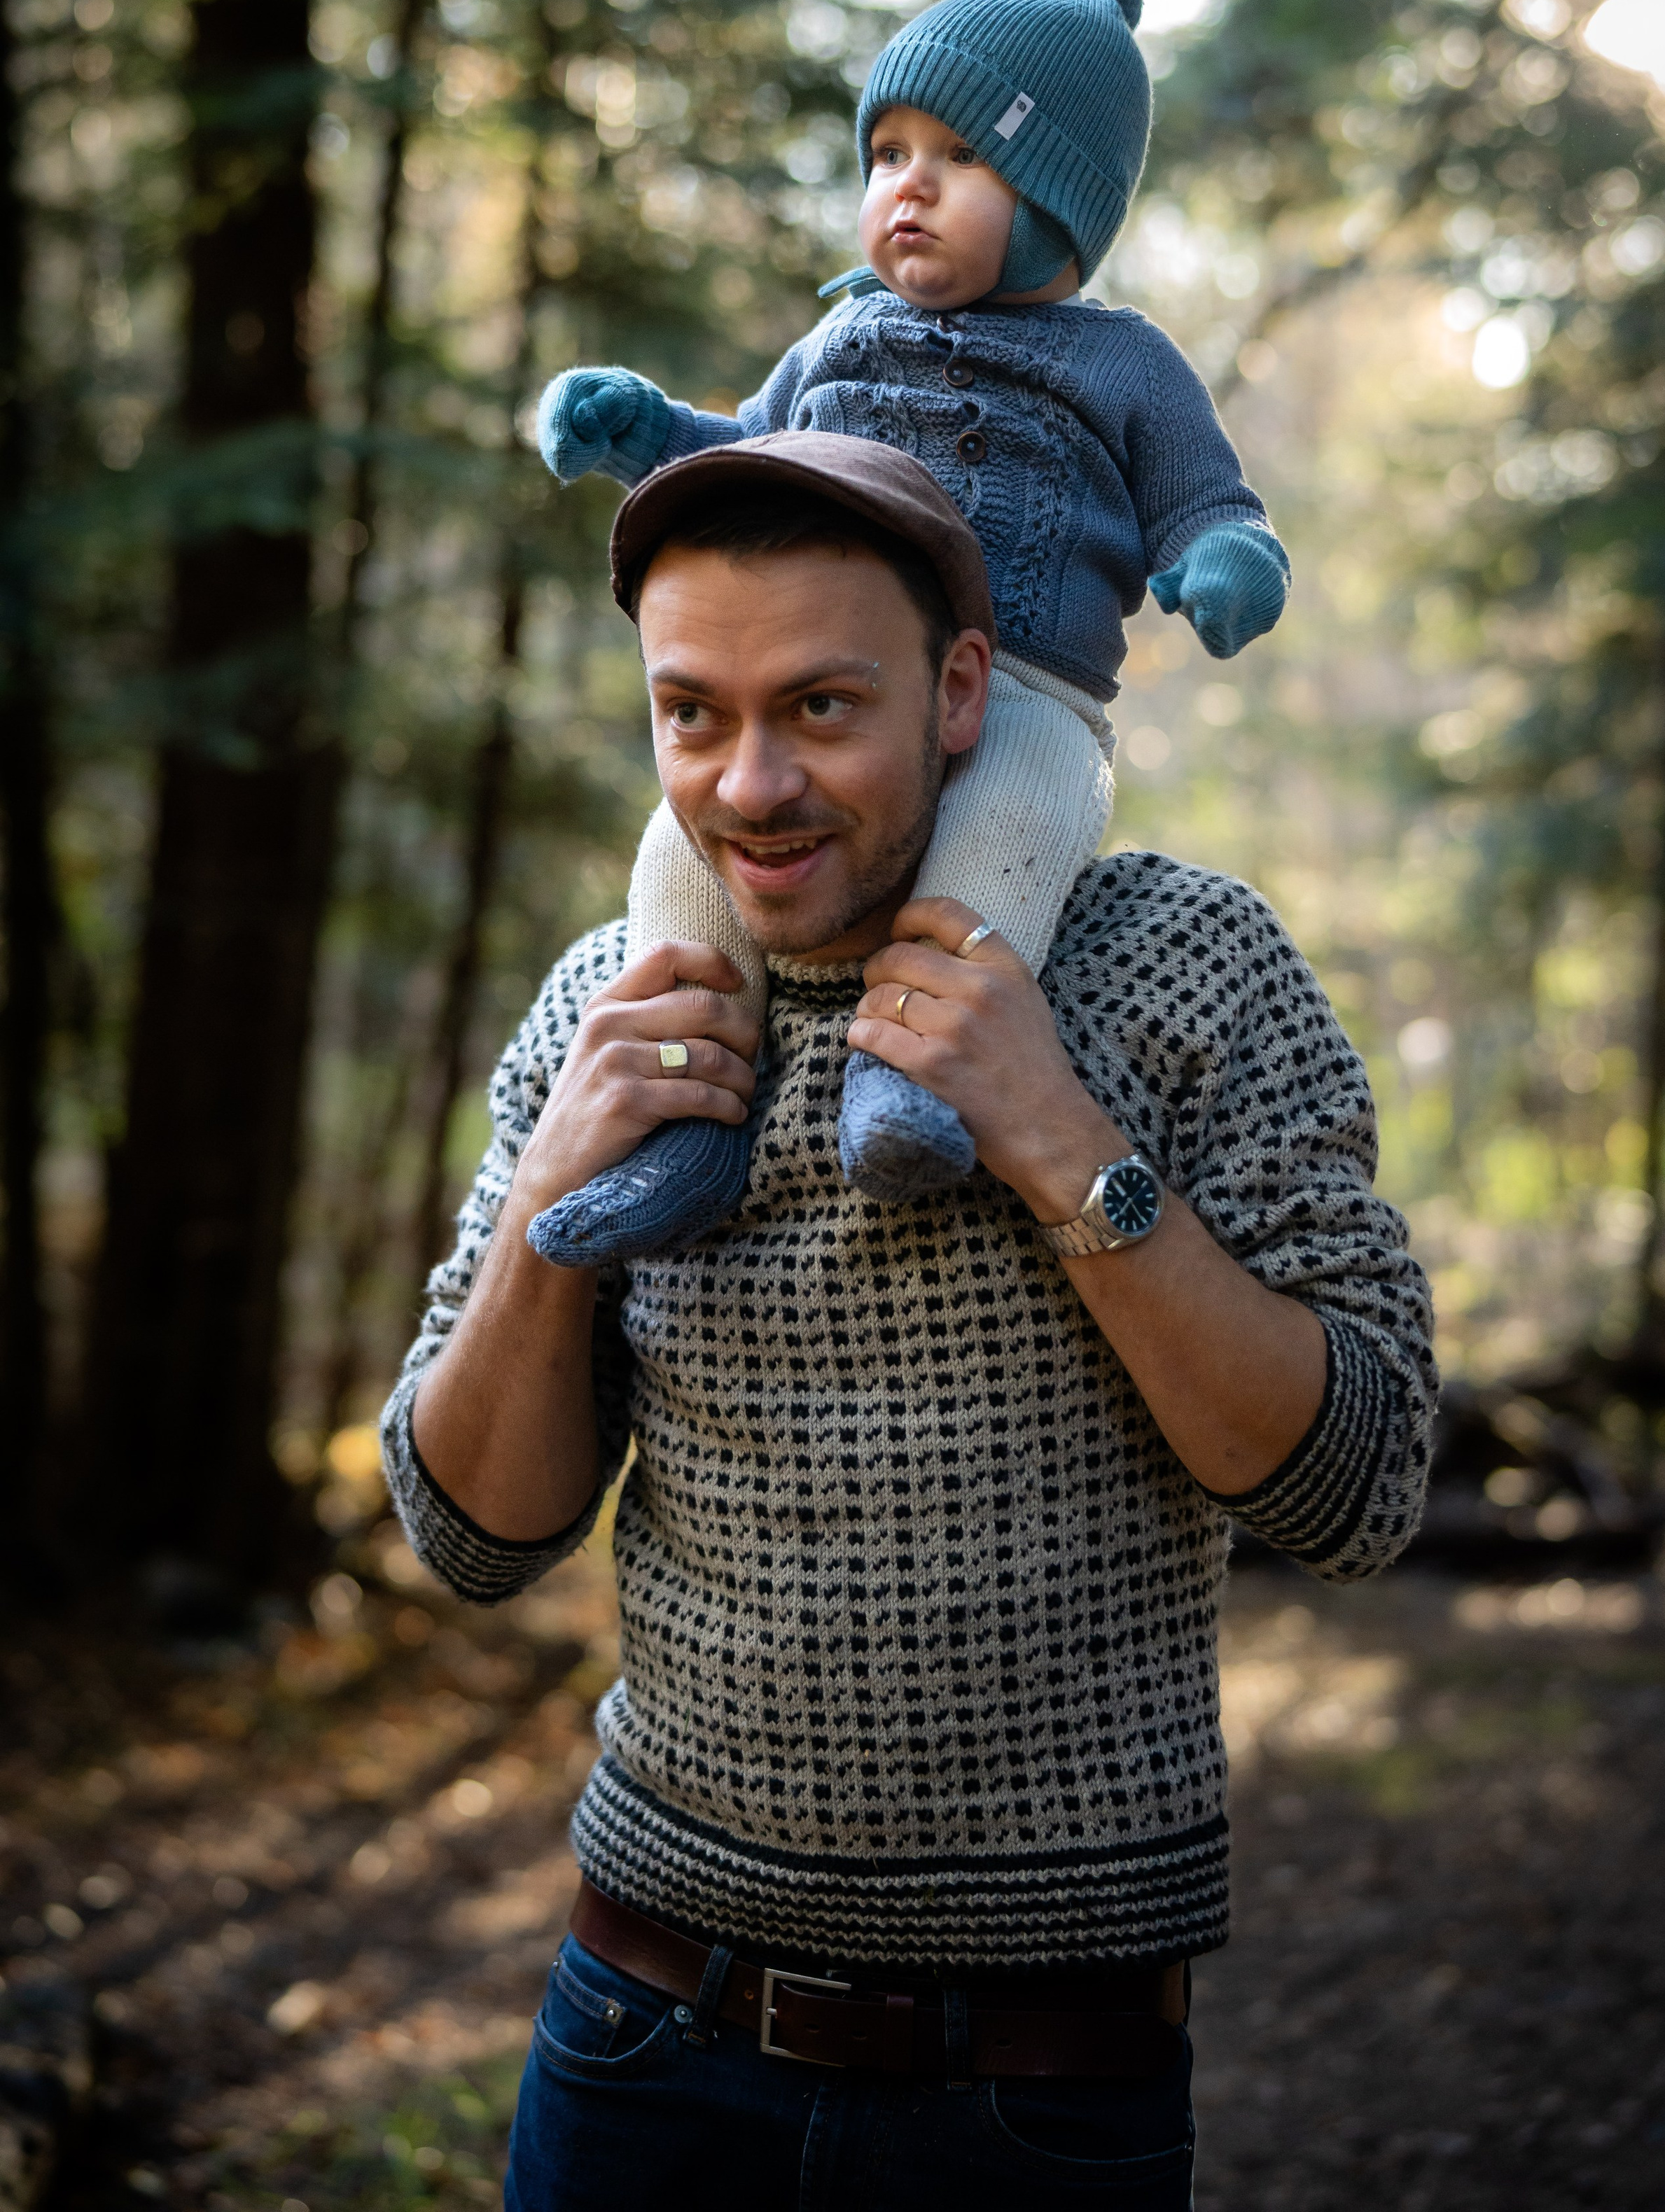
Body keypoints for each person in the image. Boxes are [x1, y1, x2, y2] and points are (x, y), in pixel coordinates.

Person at [379, 430, 1436, 2211]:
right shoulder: (616, 999)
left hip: (1038, 2095)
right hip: (641, 2034)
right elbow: (466, 1531)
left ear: (959, 693)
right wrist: (560, 1203)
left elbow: (1359, 1489)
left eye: (818, 708)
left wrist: (1057, 1138)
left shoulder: (1189, 967)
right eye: (691, 714)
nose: (748, 784)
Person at [525, 0, 1294, 1268]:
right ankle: (688, 1129)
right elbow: (745, 461)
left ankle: (914, 1078)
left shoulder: (1123, 364)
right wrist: (644, 427)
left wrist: (1226, 565)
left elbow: (1211, 505)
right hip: (842, 689)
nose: (908, 189)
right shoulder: (844, 341)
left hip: (1032, 693)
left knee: (1008, 833)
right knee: (675, 860)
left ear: (1061, 204)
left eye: (959, 159)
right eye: (885, 154)